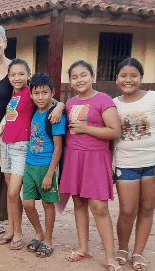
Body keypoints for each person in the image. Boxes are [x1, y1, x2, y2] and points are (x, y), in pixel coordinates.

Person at [0, 24, 64, 238]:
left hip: (5, 133)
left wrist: (61, 106)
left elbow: (43, 96)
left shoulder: (15, 69)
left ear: (5, 43)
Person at [59, 60, 122, 271]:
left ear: (92, 76)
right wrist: (59, 106)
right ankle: (83, 248)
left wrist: (86, 128)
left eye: (83, 75)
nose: (79, 80)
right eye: (74, 77)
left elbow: (114, 132)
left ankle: (111, 257)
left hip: (95, 159)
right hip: (74, 158)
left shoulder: (104, 100)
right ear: (70, 81)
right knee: (78, 203)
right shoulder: (69, 103)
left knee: (99, 208)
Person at [113, 58, 155, 271]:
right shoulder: (113, 103)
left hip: (152, 164)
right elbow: (110, 137)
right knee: (127, 210)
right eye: (123, 75)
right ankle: (122, 248)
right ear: (117, 78)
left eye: (133, 75)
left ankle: (138, 253)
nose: (128, 80)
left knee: (147, 209)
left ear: (141, 78)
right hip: (125, 164)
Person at [22, 73, 66, 258]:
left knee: (48, 204)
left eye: (45, 93)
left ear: (52, 93)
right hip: (30, 165)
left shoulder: (55, 117)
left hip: (46, 166)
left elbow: (58, 148)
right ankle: (38, 232)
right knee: (27, 203)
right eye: (37, 93)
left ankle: (48, 240)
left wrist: (49, 174)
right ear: (31, 95)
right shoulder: (34, 112)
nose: (41, 97)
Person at [0, 59, 33, 250]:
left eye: (21, 74)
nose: (17, 78)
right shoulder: (13, 95)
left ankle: (18, 233)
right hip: (7, 146)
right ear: (8, 77)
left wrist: (58, 107)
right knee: (11, 195)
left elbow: (54, 102)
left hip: (21, 147)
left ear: (28, 75)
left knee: (13, 191)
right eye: (13, 74)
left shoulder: (31, 92)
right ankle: (11, 230)